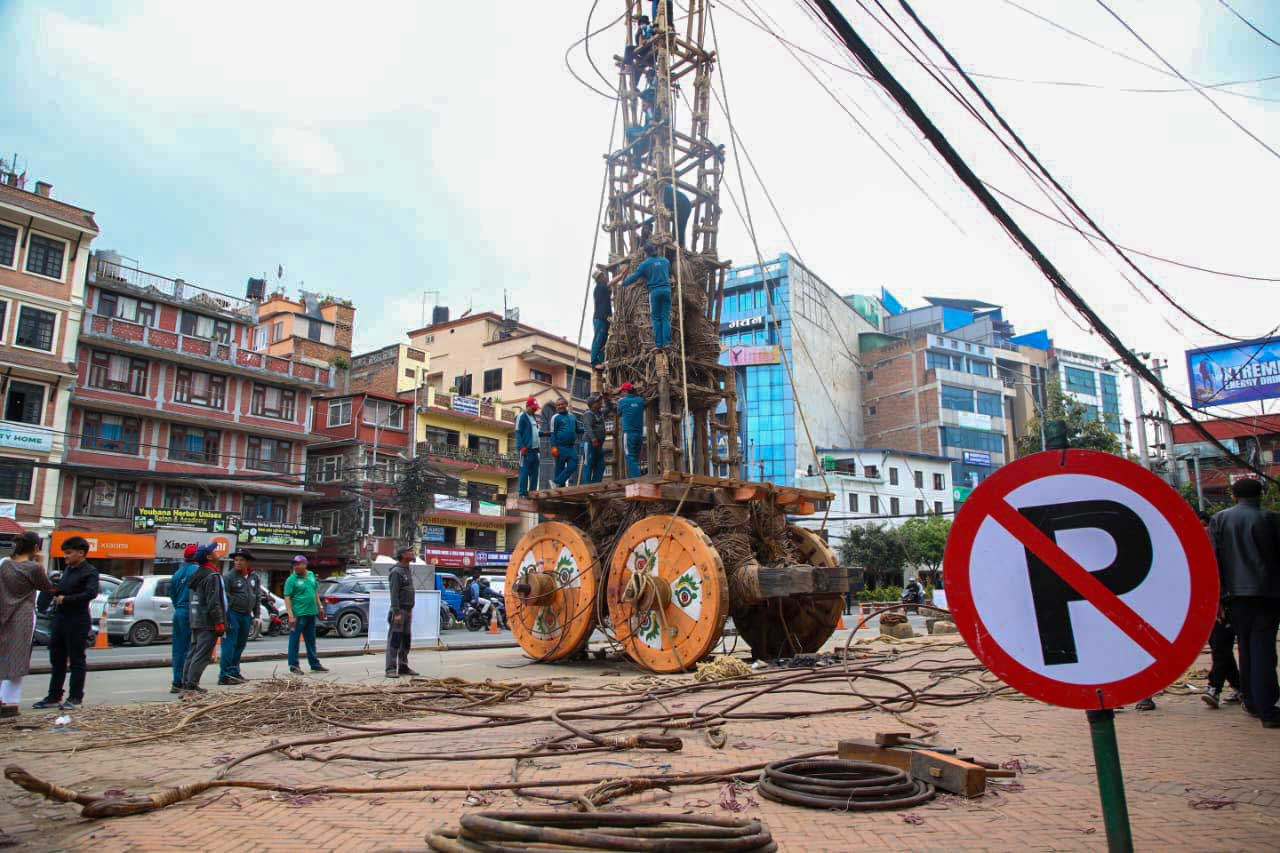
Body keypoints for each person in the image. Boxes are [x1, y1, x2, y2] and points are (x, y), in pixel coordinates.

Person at [1208, 477, 1280, 729]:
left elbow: (1212, 562)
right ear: (1260, 495)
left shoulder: (1219, 520)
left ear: (1234, 496)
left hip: (1234, 597)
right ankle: (1267, 709)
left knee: (1246, 648)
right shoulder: (1270, 519)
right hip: (1267, 594)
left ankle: (1250, 699)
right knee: (1263, 651)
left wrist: (1217, 599)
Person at [34, 536, 99, 711]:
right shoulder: (68, 570)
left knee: (77, 660)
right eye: (65, 553)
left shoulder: (90, 572)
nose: (66, 557)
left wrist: (67, 599)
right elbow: (62, 588)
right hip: (60, 619)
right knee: (57, 659)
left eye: (69, 553)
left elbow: (91, 593)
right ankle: (54, 695)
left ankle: (76, 697)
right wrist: (53, 591)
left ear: (81, 553)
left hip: (77, 620)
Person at [0, 532, 55, 717]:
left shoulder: (4, 564)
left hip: (3, 612)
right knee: (18, 656)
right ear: (35, 548)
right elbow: (47, 587)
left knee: (2, 655)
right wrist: (40, 561)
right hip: (22, 615)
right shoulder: (33, 568)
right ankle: (10, 702)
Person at [181, 544, 226, 694]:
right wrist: (219, 622)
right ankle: (191, 686)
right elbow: (214, 601)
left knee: (194, 651)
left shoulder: (197, 574)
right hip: (208, 621)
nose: (217, 552)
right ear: (208, 557)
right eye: (214, 551)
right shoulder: (211, 575)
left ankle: (186, 682)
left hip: (196, 618)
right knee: (202, 655)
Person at [618, 242, 672, 351]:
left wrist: (623, 283)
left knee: (656, 318)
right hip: (667, 291)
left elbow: (635, 277)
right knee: (665, 318)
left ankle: (658, 345)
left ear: (646, 253)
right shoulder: (666, 261)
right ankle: (666, 343)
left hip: (655, 292)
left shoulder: (645, 264)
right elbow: (669, 273)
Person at [218, 550, 258, 686]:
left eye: (241, 560)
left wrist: (256, 615)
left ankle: (234, 672)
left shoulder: (253, 577)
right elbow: (223, 597)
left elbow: (256, 596)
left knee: (240, 645)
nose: (238, 563)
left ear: (247, 562)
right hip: (232, 614)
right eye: (236, 560)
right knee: (229, 645)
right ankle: (224, 675)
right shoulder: (229, 577)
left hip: (246, 615)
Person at [284, 555, 328, 675]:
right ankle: (294, 665)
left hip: (311, 613)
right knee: (294, 640)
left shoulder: (311, 575)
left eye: (299, 564)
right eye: (295, 564)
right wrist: (290, 615)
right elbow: (287, 597)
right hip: (298, 614)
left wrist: (320, 606)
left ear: (305, 564)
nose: (296, 566)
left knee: (311, 640)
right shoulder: (291, 580)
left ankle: (314, 664)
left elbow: (314, 592)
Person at [169, 544, 200, 694]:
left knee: (178, 649)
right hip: (191, 612)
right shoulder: (197, 571)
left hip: (179, 612)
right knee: (191, 648)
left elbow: (173, 596)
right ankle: (187, 681)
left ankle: (177, 681)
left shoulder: (177, 573)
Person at [386, 546, 420, 678]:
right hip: (399, 612)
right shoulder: (396, 572)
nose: (413, 553)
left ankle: (403, 666)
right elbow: (394, 594)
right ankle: (390, 668)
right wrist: (397, 612)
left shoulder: (407, 570)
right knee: (395, 640)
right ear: (403, 555)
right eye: (410, 552)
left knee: (405, 640)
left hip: (408, 611)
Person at [550, 398, 583, 487]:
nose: (560, 406)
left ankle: (556, 482)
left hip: (570, 447)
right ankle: (559, 490)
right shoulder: (555, 418)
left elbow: (578, 429)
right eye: (558, 405)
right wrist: (553, 446)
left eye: (562, 404)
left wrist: (588, 429)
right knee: (559, 469)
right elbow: (552, 433)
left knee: (574, 464)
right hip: (560, 447)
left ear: (566, 404)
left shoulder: (572, 416)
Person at [582, 392, 614, 484]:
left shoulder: (601, 413)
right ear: (592, 404)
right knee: (588, 464)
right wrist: (593, 439)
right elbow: (588, 427)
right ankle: (587, 486)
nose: (600, 403)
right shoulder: (588, 414)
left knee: (601, 465)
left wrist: (606, 399)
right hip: (590, 443)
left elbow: (609, 407)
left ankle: (595, 484)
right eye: (598, 401)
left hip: (599, 444)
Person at [616, 382, 646, 478]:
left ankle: (637, 481)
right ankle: (635, 478)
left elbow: (618, 413)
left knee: (629, 457)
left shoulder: (622, 401)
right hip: (639, 434)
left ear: (625, 391)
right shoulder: (640, 400)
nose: (620, 394)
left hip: (628, 433)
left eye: (621, 391)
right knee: (635, 458)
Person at [516, 397, 541, 498]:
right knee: (524, 472)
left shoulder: (534, 417)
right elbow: (518, 432)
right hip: (525, 450)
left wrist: (544, 434)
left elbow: (535, 432)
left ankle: (533, 492)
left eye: (535, 408)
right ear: (527, 406)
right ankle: (522, 493)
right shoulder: (521, 416)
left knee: (535, 472)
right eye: (533, 408)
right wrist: (521, 447)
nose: (535, 409)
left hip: (535, 450)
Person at [591, 269, 612, 370]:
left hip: (604, 318)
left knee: (603, 341)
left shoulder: (602, 288)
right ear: (599, 278)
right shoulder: (600, 287)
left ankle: (601, 361)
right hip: (600, 318)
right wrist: (621, 275)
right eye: (603, 275)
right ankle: (594, 362)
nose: (605, 277)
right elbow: (611, 283)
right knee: (598, 339)